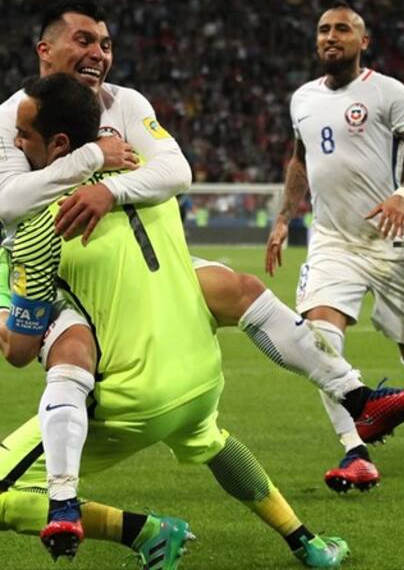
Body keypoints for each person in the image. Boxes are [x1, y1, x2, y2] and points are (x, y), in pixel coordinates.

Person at [0, 0, 404, 514]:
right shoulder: (12, 117)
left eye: (106, 44)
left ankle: (358, 399)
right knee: (65, 357)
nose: (99, 54)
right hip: (62, 273)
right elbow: (10, 203)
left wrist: (110, 191)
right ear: (45, 50)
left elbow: (176, 173)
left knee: (241, 288)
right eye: (85, 41)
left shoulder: (127, 103)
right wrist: (95, 158)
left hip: (144, 258)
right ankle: (64, 497)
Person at [0, 72, 349, 568]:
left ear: (57, 144)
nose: (13, 144)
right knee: (211, 440)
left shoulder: (38, 225)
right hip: (199, 379)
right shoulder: (147, 174)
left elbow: (18, 348)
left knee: (4, 493)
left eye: (22, 137)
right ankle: (308, 543)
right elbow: (174, 171)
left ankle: (143, 531)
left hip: (128, 397)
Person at [265, 0, 404, 490]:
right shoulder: (302, 99)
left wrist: (403, 195)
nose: (331, 36)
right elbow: (299, 162)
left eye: (343, 29)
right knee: (320, 340)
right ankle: (356, 450)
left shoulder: (387, 91)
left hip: (389, 242)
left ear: (362, 42)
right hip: (333, 241)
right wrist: (285, 216)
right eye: (324, 29)